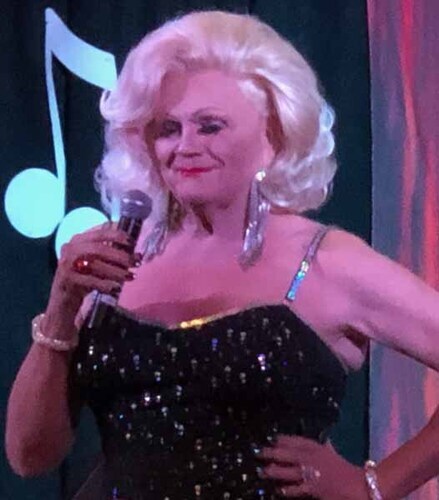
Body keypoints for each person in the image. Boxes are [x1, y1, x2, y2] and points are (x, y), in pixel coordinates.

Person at [5, 10, 439, 500]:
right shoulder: (115, 255)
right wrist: (62, 305)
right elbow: (29, 456)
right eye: (168, 128)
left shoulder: (325, 261)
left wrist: (374, 484)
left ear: (273, 138)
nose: (185, 146)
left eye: (210, 127)